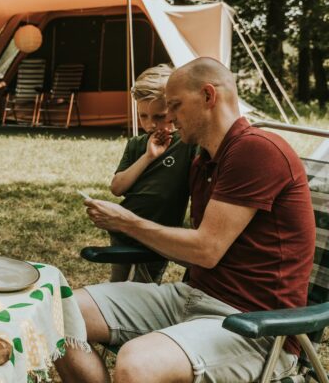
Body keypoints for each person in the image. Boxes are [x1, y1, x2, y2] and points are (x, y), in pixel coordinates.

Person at [55, 57, 315, 383]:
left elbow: (206, 250)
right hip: (190, 298)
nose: (170, 117)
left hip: (255, 326)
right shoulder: (204, 162)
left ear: (208, 96)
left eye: (175, 105)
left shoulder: (257, 150)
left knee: (137, 363)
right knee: (59, 311)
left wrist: (127, 222)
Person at [108, 64, 196, 283]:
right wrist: (148, 156)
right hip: (123, 230)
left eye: (159, 116)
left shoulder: (186, 144)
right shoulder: (136, 144)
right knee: (117, 283)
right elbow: (117, 188)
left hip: (160, 234)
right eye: (143, 116)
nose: (150, 124)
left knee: (145, 287)